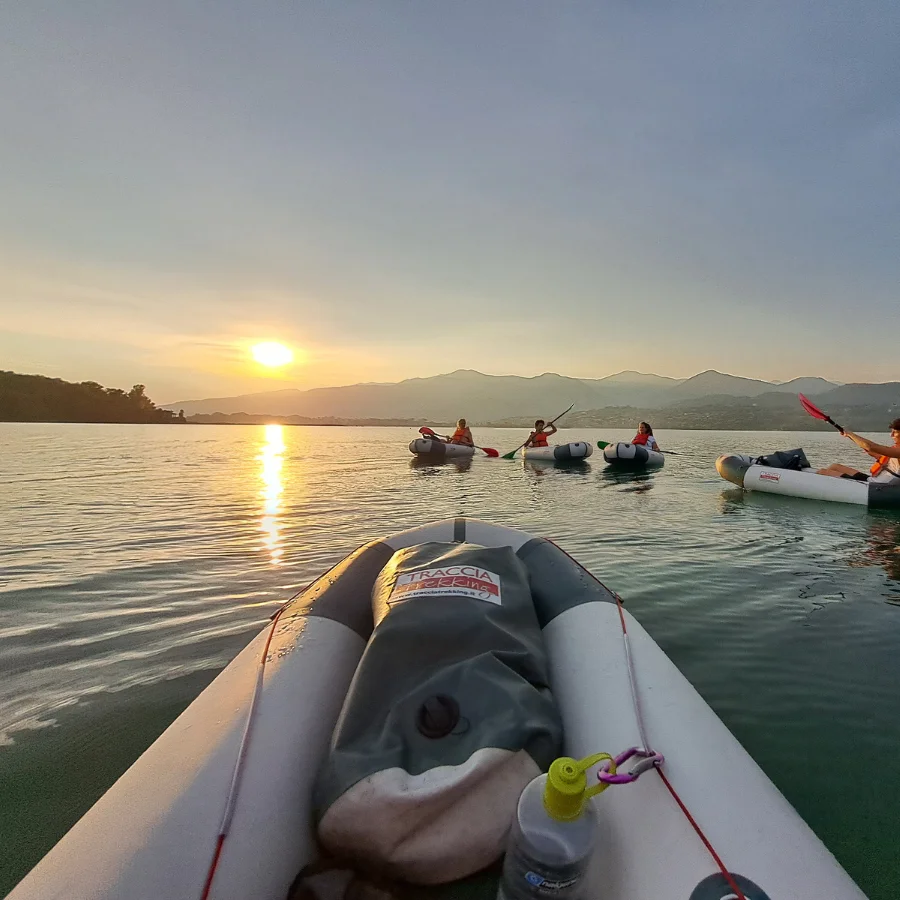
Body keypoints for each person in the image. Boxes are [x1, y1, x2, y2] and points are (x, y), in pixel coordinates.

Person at [817, 419, 900, 481]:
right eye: (891, 432)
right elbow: (872, 451)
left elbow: (870, 446)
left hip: (877, 487)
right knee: (834, 466)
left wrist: (851, 434)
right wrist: (849, 436)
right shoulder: (895, 450)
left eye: (895, 432)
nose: (891, 435)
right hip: (873, 480)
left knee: (822, 472)